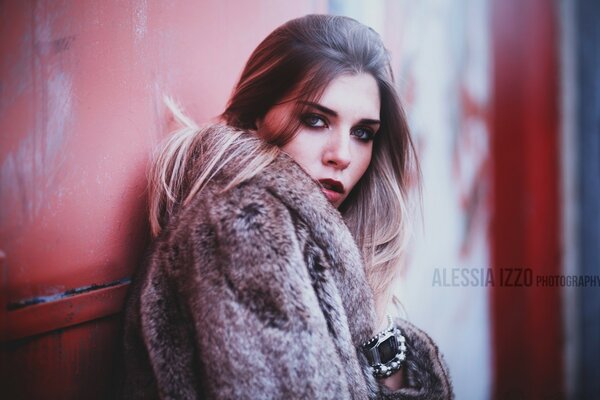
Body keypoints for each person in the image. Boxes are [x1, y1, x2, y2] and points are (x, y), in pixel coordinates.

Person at [120, 14, 453, 399]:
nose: (342, 155)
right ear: (257, 116)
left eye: (362, 133)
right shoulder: (243, 228)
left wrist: (374, 325)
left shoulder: (320, 241)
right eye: (315, 120)